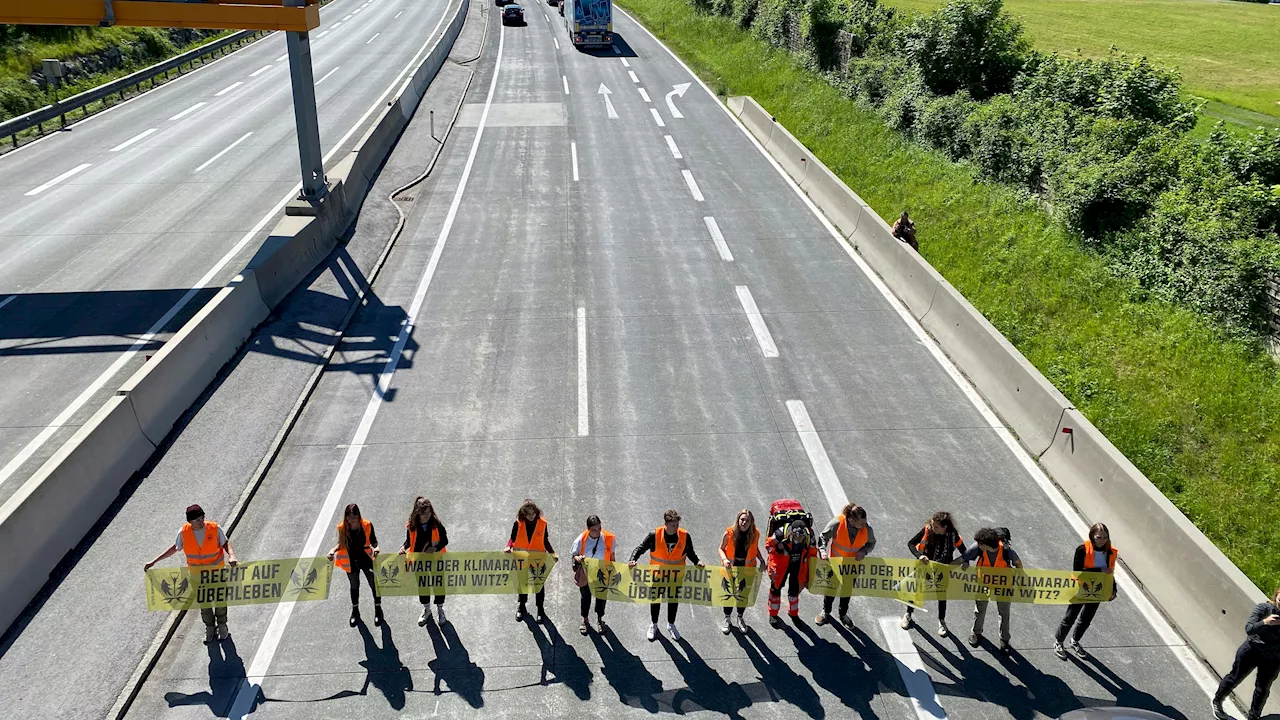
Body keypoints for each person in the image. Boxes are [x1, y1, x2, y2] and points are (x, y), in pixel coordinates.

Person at [144, 504, 239, 644]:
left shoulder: (214, 528)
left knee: (220, 601)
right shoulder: (184, 532)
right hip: (197, 576)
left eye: (202, 518)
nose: (201, 521)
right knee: (204, 604)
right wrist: (154, 561)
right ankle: (210, 628)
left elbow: (225, 543)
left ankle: (223, 626)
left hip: (216, 573)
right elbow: (175, 548)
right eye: (197, 520)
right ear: (190, 521)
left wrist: (232, 555)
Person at [629, 509, 704, 642]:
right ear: (666, 524)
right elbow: (640, 548)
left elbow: (690, 552)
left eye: (677, 525)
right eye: (673, 525)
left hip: (676, 576)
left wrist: (697, 562)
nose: (676, 528)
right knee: (655, 600)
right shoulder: (654, 535)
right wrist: (633, 559)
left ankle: (671, 624)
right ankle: (654, 625)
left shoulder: (685, 536)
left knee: (673, 600)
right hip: (658, 575)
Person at [1212, 584, 1280, 720]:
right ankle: (1217, 701)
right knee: (1235, 677)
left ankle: (1254, 716)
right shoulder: (1263, 608)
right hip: (1252, 651)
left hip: (1273, 658)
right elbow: (1249, 628)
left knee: (1262, 689)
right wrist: (1265, 622)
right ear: (1277, 596)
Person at [1054, 523, 1117, 659]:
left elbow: (1110, 572)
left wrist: (1113, 589)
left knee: (1086, 619)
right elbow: (1077, 571)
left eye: (1105, 537)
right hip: (1080, 588)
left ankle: (1075, 641)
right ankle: (1059, 642)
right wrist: (1099, 570)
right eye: (1099, 537)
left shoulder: (1110, 552)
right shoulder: (1082, 550)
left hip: (1097, 591)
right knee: (1071, 617)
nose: (1102, 540)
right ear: (1092, 536)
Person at [902, 511, 965, 637]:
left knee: (941, 596)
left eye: (936, 526)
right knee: (916, 591)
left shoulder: (953, 536)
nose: (933, 527)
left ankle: (942, 621)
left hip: (942, 571)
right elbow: (911, 544)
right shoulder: (927, 530)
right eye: (932, 525)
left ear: (944, 527)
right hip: (925, 568)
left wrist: (965, 561)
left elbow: (964, 550)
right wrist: (920, 556)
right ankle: (908, 613)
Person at [962, 527, 1023, 654]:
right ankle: (976, 633)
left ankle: (1004, 640)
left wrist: (1019, 578)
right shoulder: (979, 547)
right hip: (983, 582)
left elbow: (1018, 563)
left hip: (1004, 585)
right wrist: (944, 568)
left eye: (980, 544)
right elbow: (963, 557)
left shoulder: (1006, 551)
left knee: (1004, 613)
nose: (977, 545)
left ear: (986, 544)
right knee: (980, 610)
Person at [816, 503, 876, 629]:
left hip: (852, 567)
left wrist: (863, 551)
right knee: (831, 589)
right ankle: (826, 611)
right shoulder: (837, 524)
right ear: (851, 520)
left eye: (865, 522)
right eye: (861, 523)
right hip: (835, 564)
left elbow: (871, 543)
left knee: (846, 591)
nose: (864, 525)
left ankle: (843, 614)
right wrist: (822, 551)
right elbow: (822, 537)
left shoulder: (867, 528)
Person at [327, 503, 383, 628]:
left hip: (366, 558)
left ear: (358, 516)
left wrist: (376, 548)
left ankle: (378, 609)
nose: (351, 520)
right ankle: (355, 611)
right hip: (351, 561)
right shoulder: (342, 528)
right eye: (349, 517)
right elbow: (341, 544)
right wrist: (332, 550)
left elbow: (373, 540)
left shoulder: (367, 525)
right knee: (354, 586)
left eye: (354, 517)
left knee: (373, 584)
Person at [399, 497, 448, 627]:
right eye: (424, 514)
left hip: (435, 560)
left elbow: (445, 540)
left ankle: (440, 609)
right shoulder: (412, 526)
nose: (427, 516)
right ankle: (427, 609)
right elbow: (409, 541)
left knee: (438, 584)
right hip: (419, 561)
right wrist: (404, 547)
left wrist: (435, 548)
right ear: (418, 513)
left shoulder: (436, 524)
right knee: (423, 585)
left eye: (429, 513)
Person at [505, 498, 556, 623]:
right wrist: (508, 546)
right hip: (522, 558)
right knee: (523, 583)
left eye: (533, 513)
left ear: (536, 512)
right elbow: (512, 539)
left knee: (539, 584)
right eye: (528, 514)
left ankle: (540, 609)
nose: (531, 516)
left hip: (538, 559)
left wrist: (552, 553)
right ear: (524, 514)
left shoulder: (542, 524)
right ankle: (522, 606)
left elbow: (545, 540)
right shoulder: (518, 524)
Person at [765, 517, 818, 629]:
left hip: (797, 565)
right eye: (796, 537)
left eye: (801, 537)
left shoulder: (810, 536)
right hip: (781, 565)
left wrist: (810, 572)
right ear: (790, 533)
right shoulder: (780, 533)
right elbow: (769, 545)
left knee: (794, 591)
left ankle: (793, 613)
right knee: (775, 589)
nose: (799, 539)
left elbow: (812, 554)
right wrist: (779, 550)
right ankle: (773, 614)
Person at [718, 509, 764, 634]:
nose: (744, 522)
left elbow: (755, 549)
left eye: (747, 520)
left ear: (751, 522)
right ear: (738, 520)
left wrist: (761, 560)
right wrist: (725, 559)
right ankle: (727, 619)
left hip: (747, 569)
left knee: (743, 595)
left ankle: (740, 617)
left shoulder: (755, 534)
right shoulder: (729, 533)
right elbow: (721, 548)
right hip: (731, 568)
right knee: (729, 594)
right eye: (742, 519)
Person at [571, 515, 615, 635]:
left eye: (599, 528)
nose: (597, 532)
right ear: (588, 529)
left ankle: (600, 620)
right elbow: (574, 554)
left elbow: (612, 556)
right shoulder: (581, 539)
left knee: (601, 598)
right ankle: (585, 620)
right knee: (585, 598)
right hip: (586, 573)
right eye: (594, 529)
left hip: (602, 573)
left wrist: (613, 571)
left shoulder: (609, 537)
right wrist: (578, 558)